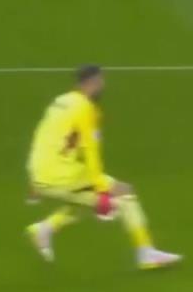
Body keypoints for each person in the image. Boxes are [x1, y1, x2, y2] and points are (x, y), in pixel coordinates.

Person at [24, 65, 182, 269]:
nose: (103, 86)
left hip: (43, 173)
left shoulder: (60, 101)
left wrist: (33, 180)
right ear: (92, 83)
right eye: (101, 82)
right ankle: (146, 254)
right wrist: (103, 188)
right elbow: (91, 153)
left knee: (88, 201)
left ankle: (45, 229)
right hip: (60, 176)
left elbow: (42, 137)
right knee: (124, 194)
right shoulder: (87, 109)